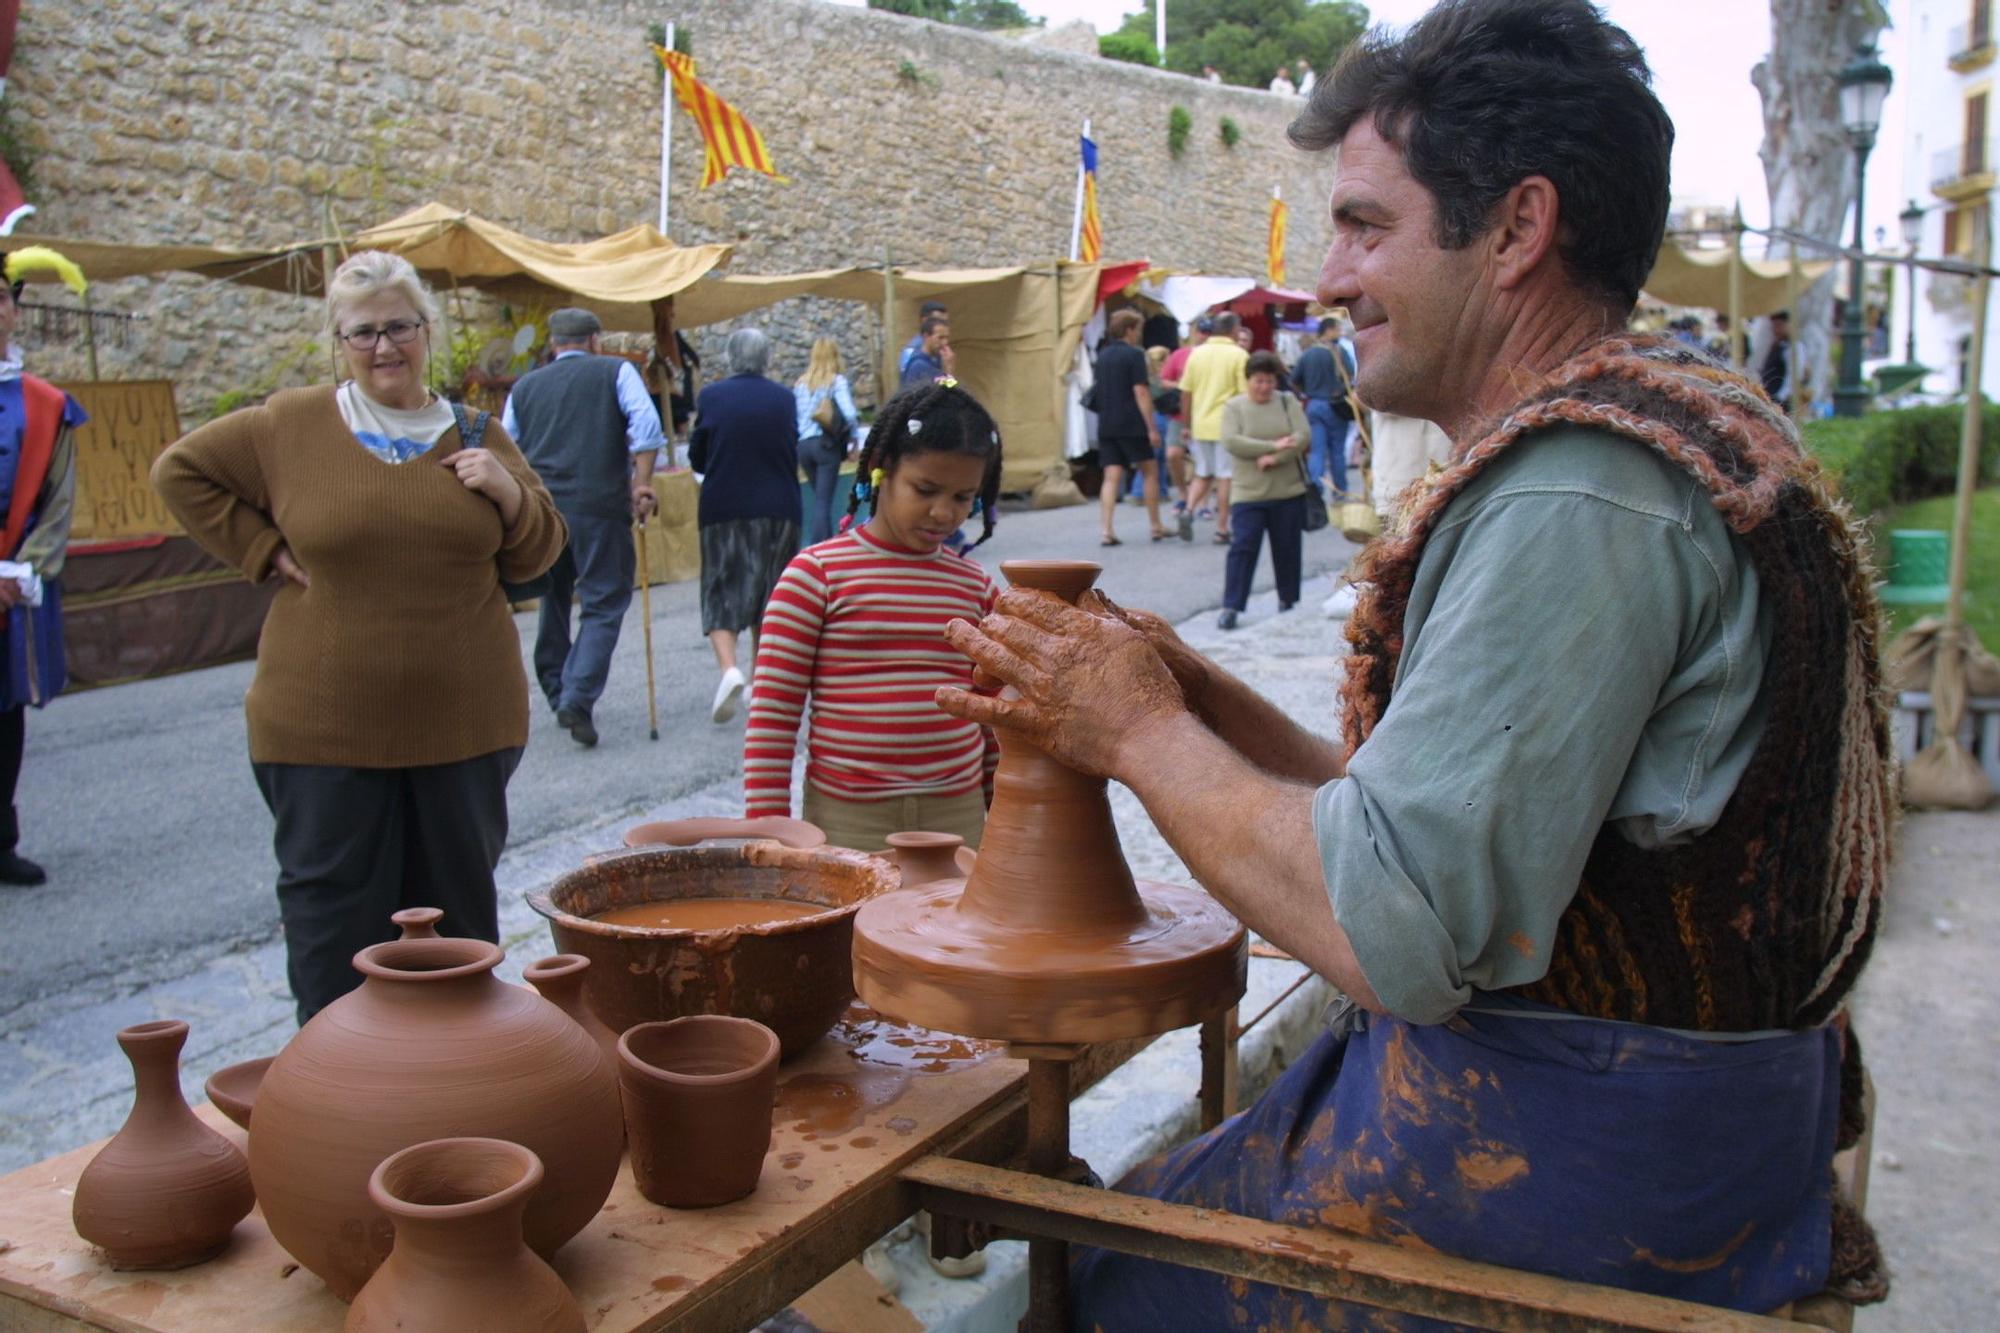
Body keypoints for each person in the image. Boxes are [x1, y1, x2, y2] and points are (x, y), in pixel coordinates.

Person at [935, 1, 1892, 1323]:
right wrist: (1189, 692)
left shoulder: (1583, 493)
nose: (1330, 278)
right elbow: (1431, 834)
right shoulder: (1658, 430)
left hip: (1586, 1165)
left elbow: (1407, 932)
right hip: (1648, 1126)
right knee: (1148, 1201)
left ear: (1516, 229)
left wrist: (1140, 736)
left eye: (1365, 227)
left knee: (1082, 1288)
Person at [152, 250, 566, 1024]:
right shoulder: (290, 424)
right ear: (338, 341)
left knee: (456, 933)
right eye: (363, 332)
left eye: (400, 327)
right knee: (333, 939)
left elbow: (539, 551)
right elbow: (179, 472)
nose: (384, 347)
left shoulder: (476, 432)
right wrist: (259, 546)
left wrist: (508, 492)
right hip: (321, 734)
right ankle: (341, 1105)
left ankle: (457, 1096)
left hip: (462, 730)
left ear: (427, 331)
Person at [744, 379, 1002, 850]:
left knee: (951, 926)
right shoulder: (815, 577)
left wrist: (1005, 815)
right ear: (882, 468)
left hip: (957, 819)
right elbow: (773, 720)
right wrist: (770, 834)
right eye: (925, 489)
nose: (944, 513)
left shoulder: (975, 587)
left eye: (964, 498)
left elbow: (990, 718)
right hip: (846, 821)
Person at [502, 307, 664, 749]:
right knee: (604, 600)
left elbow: (505, 446)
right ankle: (577, 694)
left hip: (543, 508)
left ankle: (557, 688)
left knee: (553, 598)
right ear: (595, 339)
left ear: (554, 344)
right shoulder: (616, 371)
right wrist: (642, 482)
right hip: (598, 503)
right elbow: (647, 427)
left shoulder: (525, 388)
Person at [0, 256, 83, 886]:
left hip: (12, 584)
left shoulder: (45, 405)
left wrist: (20, 571)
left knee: (5, 715)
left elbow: (57, 499)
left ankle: (1, 840)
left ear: (14, 309)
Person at [689, 327, 801, 726]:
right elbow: (792, 447)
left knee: (722, 585)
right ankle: (760, 681)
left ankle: (729, 671)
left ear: (730, 358)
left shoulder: (713, 396)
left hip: (725, 504)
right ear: (767, 358)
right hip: (779, 504)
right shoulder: (784, 398)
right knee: (770, 593)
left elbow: (698, 457)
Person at [1215, 350, 1310, 630]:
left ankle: (1288, 599)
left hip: (1287, 490)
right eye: (1259, 381)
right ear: (1248, 380)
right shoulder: (1235, 407)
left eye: (1269, 381)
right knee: (1242, 547)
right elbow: (1232, 441)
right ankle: (1231, 605)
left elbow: (1302, 436)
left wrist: (1276, 458)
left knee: (1287, 548)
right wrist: (1273, 445)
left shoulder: (1286, 401)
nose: (1265, 387)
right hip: (1249, 492)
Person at [1092, 309, 1165, 545]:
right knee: (1150, 471)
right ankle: (1155, 525)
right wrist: (1152, 427)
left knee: (1111, 476)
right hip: (1132, 423)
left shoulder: (1102, 356)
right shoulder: (1134, 355)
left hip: (1107, 423)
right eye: (1138, 330)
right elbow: (1141, 391)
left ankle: (1106, 529)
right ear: (1129, 330)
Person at [1179, 310, 1249, 544]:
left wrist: (1186, 423)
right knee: (1225, 476)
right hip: (1226, 424)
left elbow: (1186, 392)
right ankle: (1221, 528)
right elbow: (1244, 395)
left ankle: (1188, 509)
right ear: (1233, 329)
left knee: (1203, 472)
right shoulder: (1238, 355)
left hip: (1200, 423)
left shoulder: (1196, 354)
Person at [794, 337, 863, 547]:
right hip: (825, 446)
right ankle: (822, 548)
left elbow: (796, 417)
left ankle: (825, 543)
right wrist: (854, 439)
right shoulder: (836, 381)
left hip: (803, 447)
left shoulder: (800, 384)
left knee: (820, 501)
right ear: (835, 356)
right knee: (824, 503)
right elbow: (850, 414)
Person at [1291, 315, 1356, 499]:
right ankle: (1340, 491)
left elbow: (1294, 381)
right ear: (1328, 330)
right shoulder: (1339, 352)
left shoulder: (1308, 353)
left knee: (1317, 451)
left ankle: (1315, 489)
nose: (1340, 333)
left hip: (1313, 405)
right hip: (1336, 406)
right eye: (1337, 328)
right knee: (1337, 452)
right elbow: (1351, 377)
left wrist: (1306, 392)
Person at [1158, 316, 1208, 534]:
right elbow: (1163, 380)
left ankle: (1203, 503)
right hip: (1179, 415)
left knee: (1204, 461)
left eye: (1207, 332)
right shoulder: (1179, 355)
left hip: (1204, 414)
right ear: (1194, 332)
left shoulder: (1212, 356)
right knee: (1172, 454)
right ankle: (1183, 494)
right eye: (1200, 332)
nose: (1203, 336)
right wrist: (1182, 385)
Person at [900, 314, 953, 391]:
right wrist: (949, 370)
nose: (945, 342)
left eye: (946, 338)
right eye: (940, 338)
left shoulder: (935, 360)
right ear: (926, 336)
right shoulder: (919, 365)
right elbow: (945, 392)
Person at [899, 300, 948, 376]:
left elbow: (943, 384)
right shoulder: (912, 352)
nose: (943, 326)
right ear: (925, 321)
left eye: (945, 322)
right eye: (938, 321)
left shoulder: (935, 352)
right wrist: (949, 372)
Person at [1761, 309, 1793, 405]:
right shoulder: (1775, 345)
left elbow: (1792, 376)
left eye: (1779, 325)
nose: (1776, 330)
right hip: (1770, 397)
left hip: (1780, 400)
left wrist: (1781, 397)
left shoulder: (1792, 348)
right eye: (1774, 326)